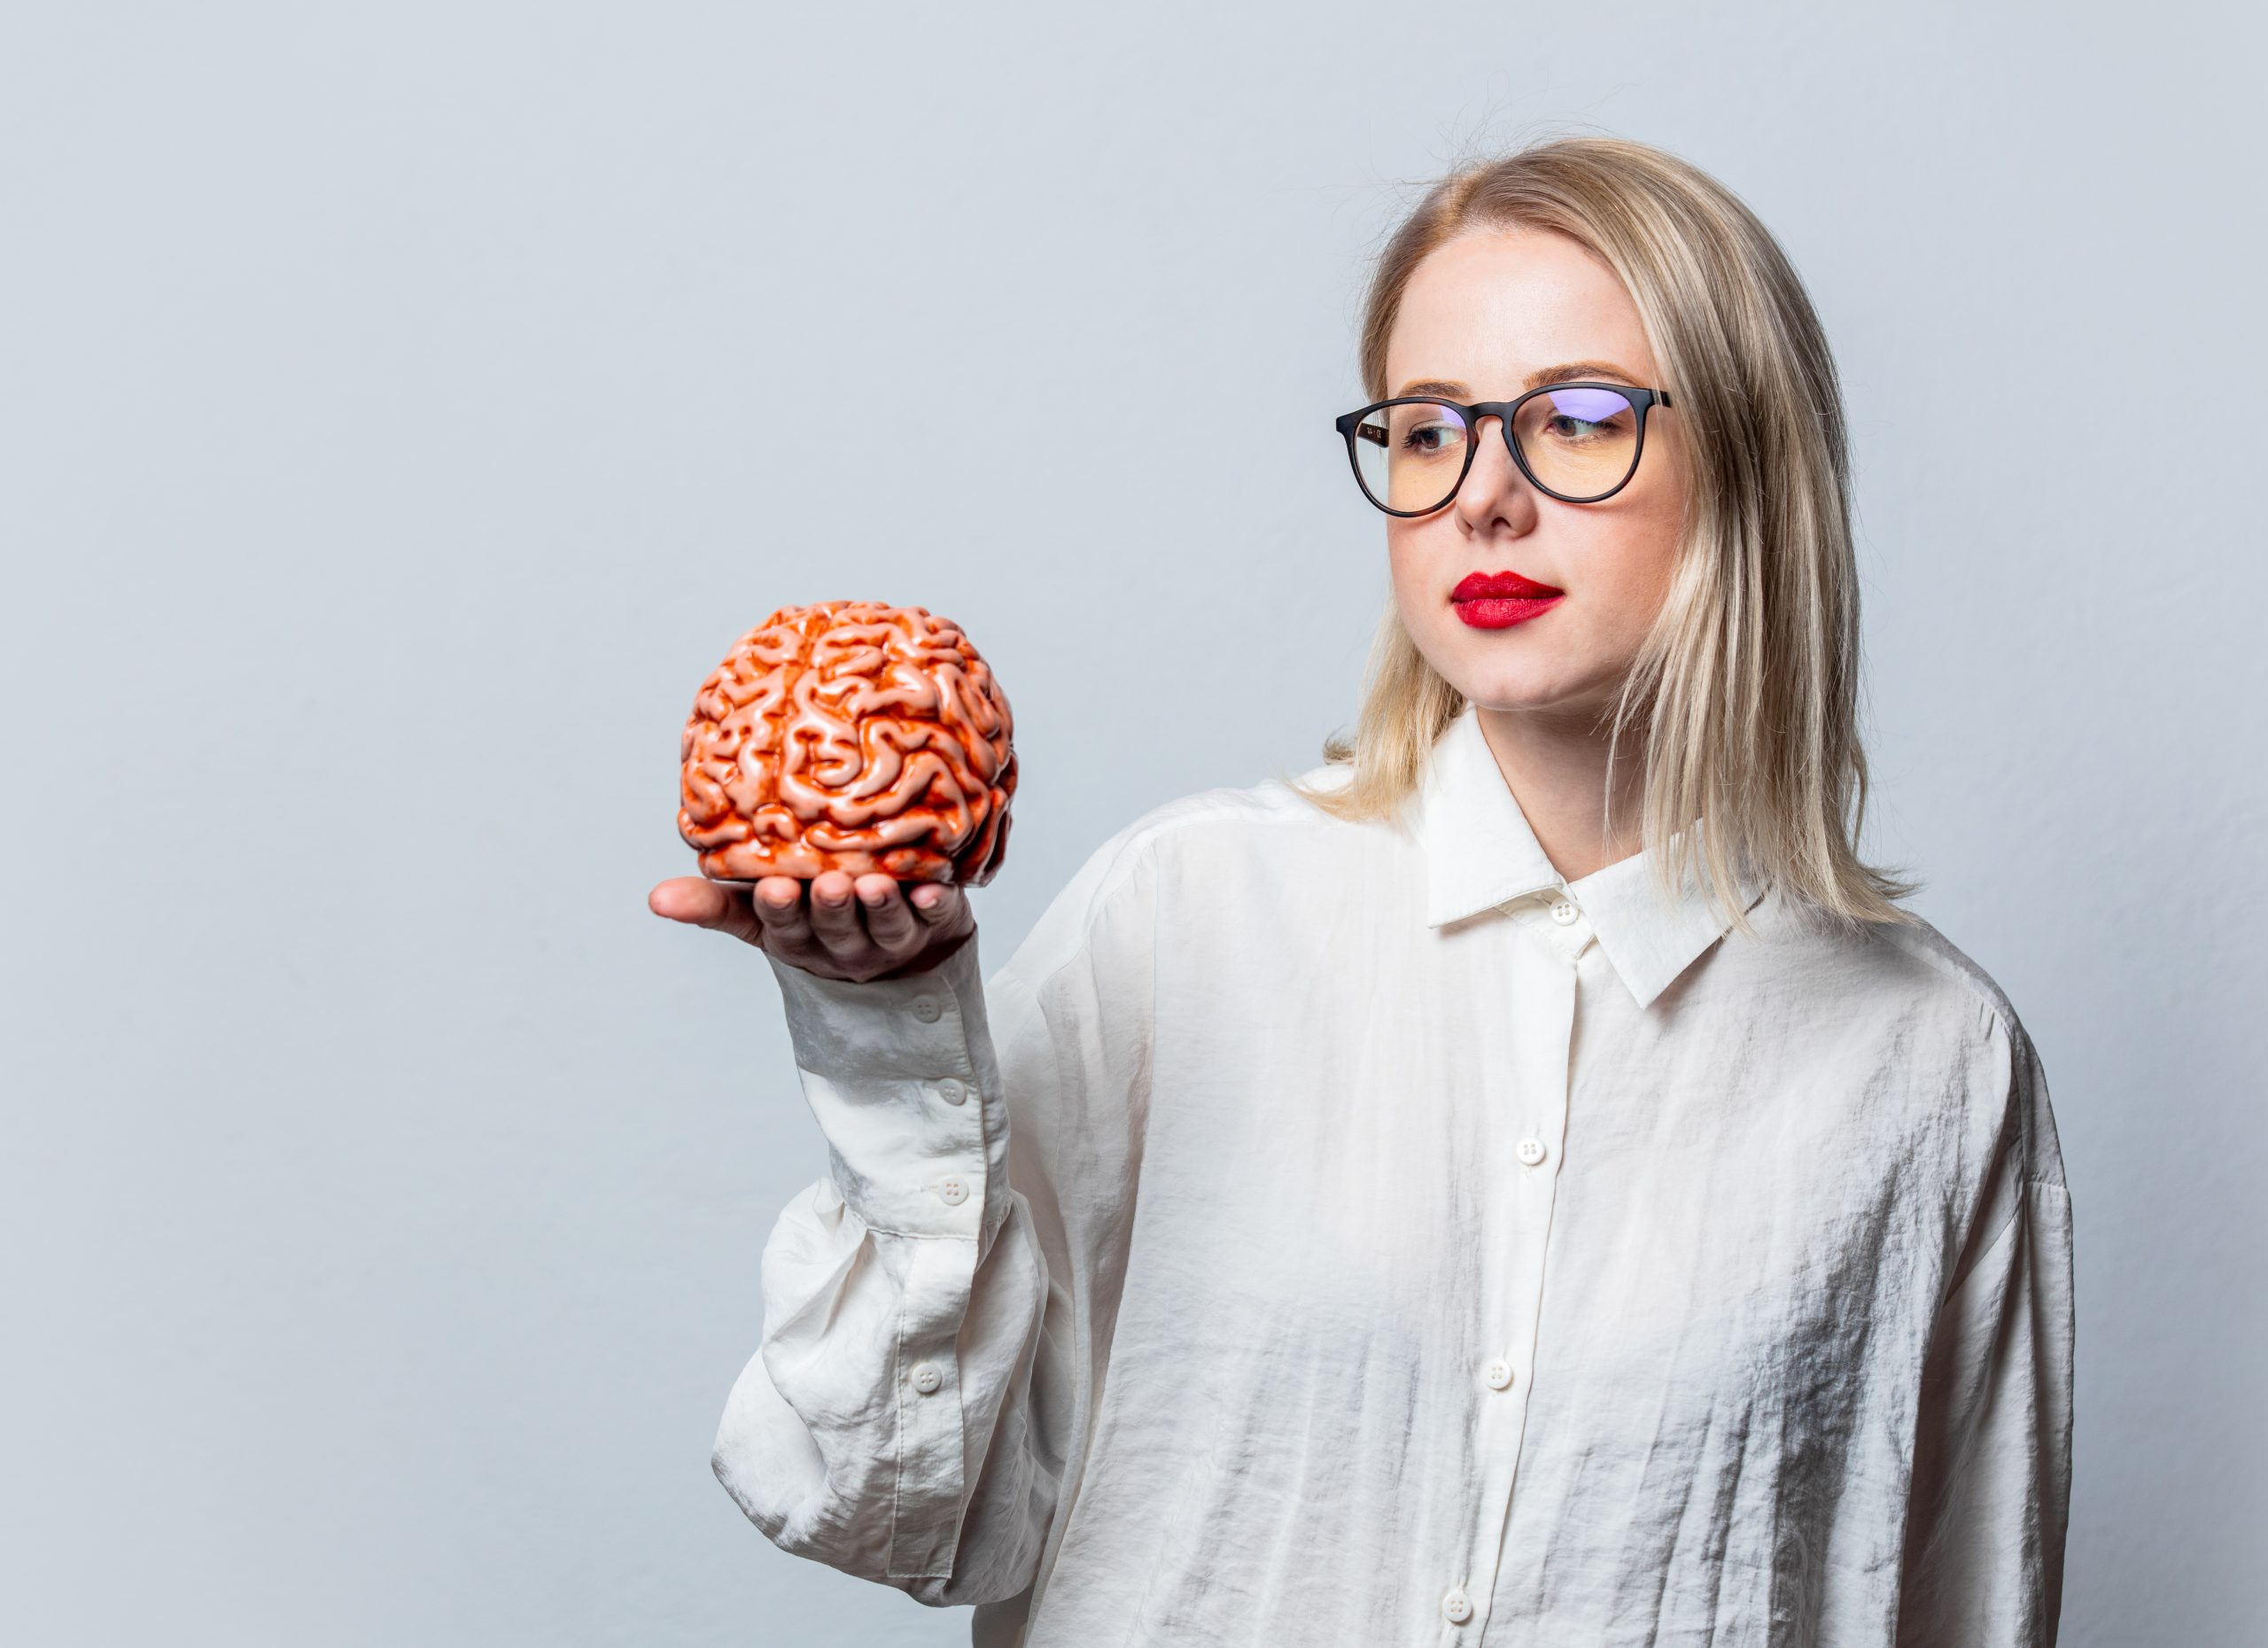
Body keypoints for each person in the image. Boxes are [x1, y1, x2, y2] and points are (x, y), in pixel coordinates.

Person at [648, 134, 2073, 1646]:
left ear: (1750, 460)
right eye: (1426, 432)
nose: (1485, 501)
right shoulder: (1189, 919)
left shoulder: (1931, 1061)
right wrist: (892, 1040)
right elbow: (891, 1502)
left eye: (1578, 421)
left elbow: (1962, 1602)